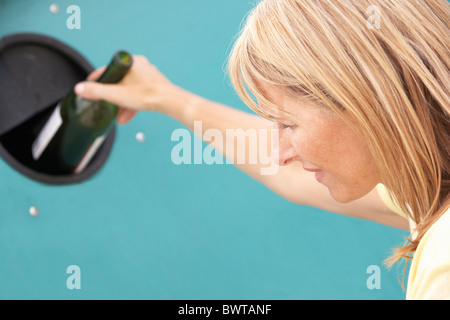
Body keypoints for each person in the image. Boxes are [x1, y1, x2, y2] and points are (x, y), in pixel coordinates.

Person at [74, 0, 449, 299]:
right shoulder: (430, 186)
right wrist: (167, 99)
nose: (280, 151)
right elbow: (292, 178)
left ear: (366, 101)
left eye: (288, 124)